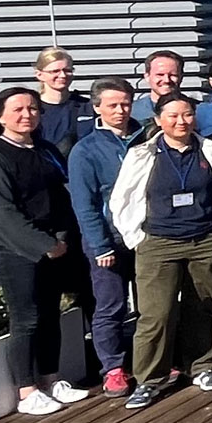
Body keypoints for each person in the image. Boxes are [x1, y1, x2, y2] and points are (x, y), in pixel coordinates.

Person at [107, 93, 212, 408]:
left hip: (206, 239)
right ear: (159, 119)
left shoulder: (210, 149)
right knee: (156, 314)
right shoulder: (142, 154)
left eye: (188, 114)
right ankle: (149, 380)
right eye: (173, 116)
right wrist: (136, 239)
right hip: (159, 242)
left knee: (206, 305)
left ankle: (203, 366)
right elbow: (121, 201)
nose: (181, 122)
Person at [0, 88, 89, 415]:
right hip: (17, 250)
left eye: (33, 108)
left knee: (51, 315)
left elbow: (61, 194)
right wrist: (43, 245)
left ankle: (52, 379)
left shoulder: (45, 149)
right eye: (19, 109)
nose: (27, 114)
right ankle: (27, 389)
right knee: (27, 319)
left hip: (55, 246)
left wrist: (60, 239)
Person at [68, 79, 143, 394]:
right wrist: (99, 244)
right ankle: (113, 368)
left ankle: (154, 360)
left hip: (145, 234)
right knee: (111, 306)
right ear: (97, 107)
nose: (120, 110)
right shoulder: (85, 149)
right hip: (108, 239)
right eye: (112, 105)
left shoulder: (147, 137)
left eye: (125, 103)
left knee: (154, 304)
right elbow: (84, 203)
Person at [32, 48, 94, 154]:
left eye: (67, 70)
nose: (63, 75)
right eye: (55, 71)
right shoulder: (31, 109)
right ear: (39, 75)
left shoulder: (87, 107)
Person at [130, 49, 183, 124]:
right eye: (160, 75)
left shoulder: (198, 112)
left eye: (173, 75)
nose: (166, 80)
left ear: (181, 77)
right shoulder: (132, 112)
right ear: (147, 77)